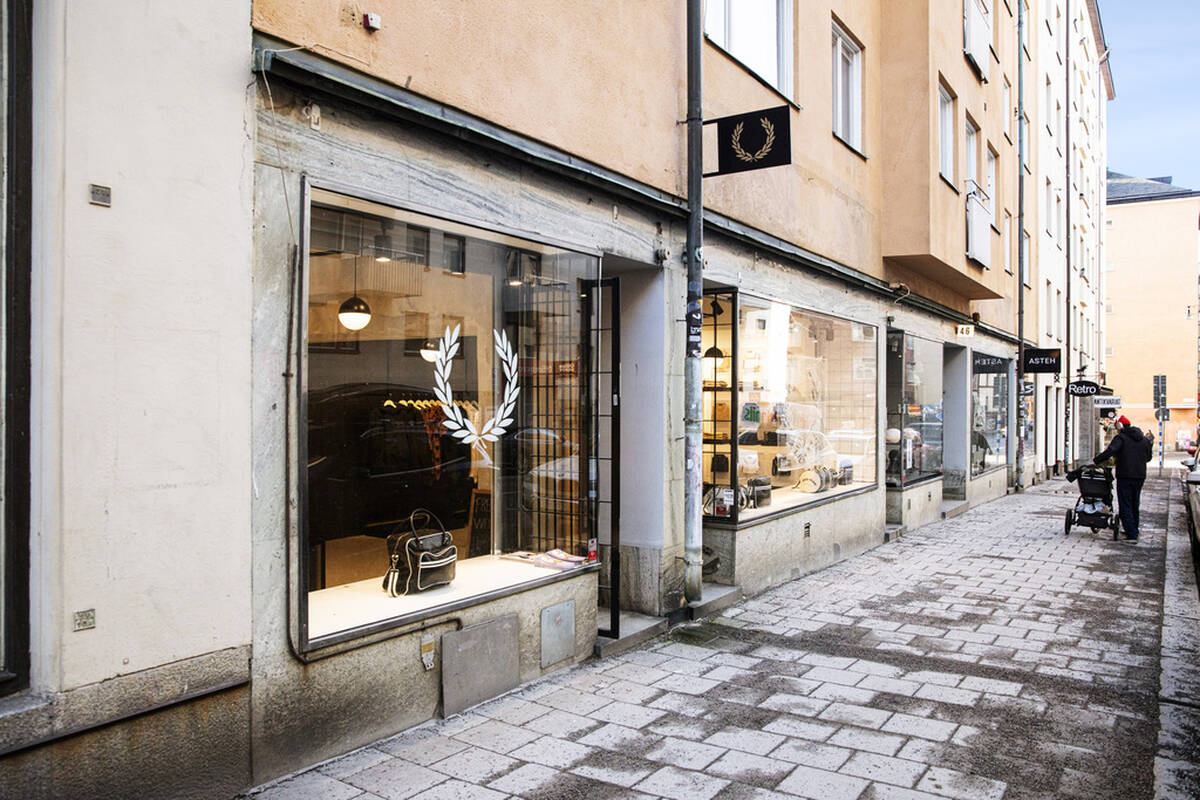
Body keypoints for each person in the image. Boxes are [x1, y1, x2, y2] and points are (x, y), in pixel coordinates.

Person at [1093, 414, 1153, 542]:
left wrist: (1096, 461)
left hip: (1125, 475)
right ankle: (1133, 529)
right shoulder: (1144, 440)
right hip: (1140, 476)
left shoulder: (1121, 438)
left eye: (1117, 428)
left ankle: (1132, 535)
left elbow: (1110, 451)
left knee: (1125, 504)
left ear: (1120, 426)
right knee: (1135, 503)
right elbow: (1148, 458)